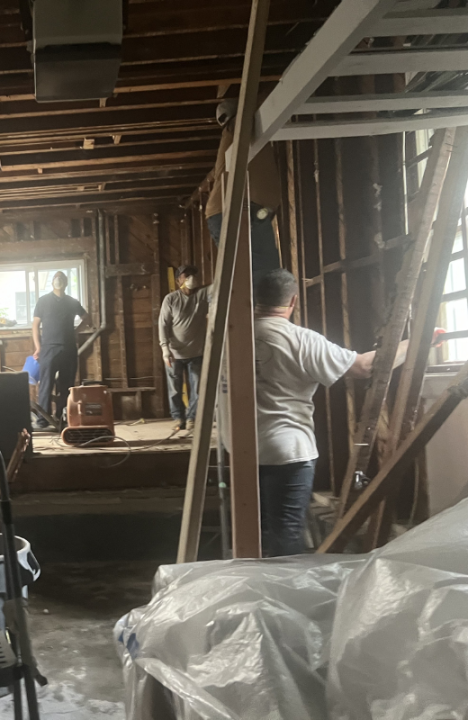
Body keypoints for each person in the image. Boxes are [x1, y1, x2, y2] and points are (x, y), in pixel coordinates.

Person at [253, 269, 409, 556]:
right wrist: (416, 342)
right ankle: (289, 584)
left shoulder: (230, 338)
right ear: (293, 301)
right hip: (287, 451)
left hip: (242, 451)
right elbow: (364, 367)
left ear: (256, 299)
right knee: (286, 533)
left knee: (257, 531)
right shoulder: (300, 339)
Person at [206, 98, 282, 285]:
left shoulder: (235, 136)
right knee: (263, 275)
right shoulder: (235, 130)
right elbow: (242, 117)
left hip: (236, 208)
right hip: (238, 208)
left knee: (260, 274)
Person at [32, 271, 90, 428]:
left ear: (66, 282)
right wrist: (38, 347)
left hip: (68, 348)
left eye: (61, 278)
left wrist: (75, 332)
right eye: (56, 278)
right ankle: (43, 420)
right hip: (48, 348)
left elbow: (87, 318)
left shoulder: (72, 302)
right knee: (46, 384)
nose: (58, 280)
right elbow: (35, 325)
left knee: (66, 385)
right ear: (52, 282)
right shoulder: (43, 301)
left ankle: (61, 418)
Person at [158, 265, 209, 434]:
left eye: (193, 275)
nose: (190, 278)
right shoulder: (171, 299)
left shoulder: (203, 296)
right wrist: (165, 348)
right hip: (174, 353)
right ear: (178, 280)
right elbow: (163, 324)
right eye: (186, 275)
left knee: (197, 388)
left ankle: (192, 418)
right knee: (175, 388)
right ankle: (178, 418)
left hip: (197, 352)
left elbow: (219, 286)